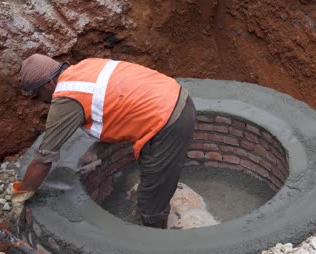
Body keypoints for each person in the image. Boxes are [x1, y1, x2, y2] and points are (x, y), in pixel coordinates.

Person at [12, 54, 196, 229]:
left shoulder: (66, 98)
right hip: (175, 98)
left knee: (152, 200)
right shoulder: (84, 67)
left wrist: (22, 193)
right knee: (152, 176)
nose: (41, 101)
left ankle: (156, 246)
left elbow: (43, 160)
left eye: (37, 94)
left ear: (49, 83)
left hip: (168, 120)